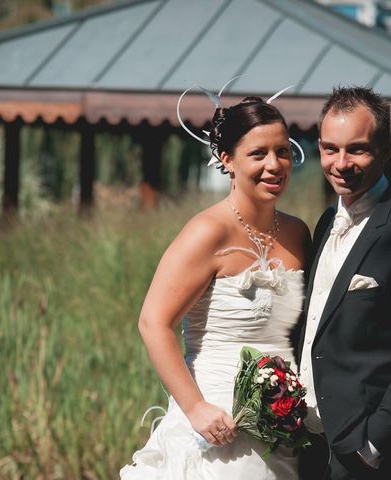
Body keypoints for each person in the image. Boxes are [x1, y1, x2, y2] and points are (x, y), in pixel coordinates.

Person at [120, 95, 311, 479]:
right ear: (227, 160)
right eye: (258, 153)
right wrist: (195, 409)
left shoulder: (297, 233)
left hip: (282, 428)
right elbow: (153, 323)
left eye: (282, 151)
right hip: (217, 425)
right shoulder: (207, 232)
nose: (274, 165)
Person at [298, 86, 391, 480]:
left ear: (385, 149)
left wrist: (373, 447)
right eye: (330, 149)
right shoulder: (324, 223)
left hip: (363, 456)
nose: (341, 163)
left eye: (357, 149)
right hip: (307, 442)